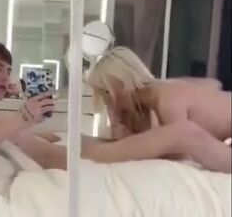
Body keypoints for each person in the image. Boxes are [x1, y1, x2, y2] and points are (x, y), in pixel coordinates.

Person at [0, 40, 231, 173]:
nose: (6, 77)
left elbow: (14, 139)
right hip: (68, 156)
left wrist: (38, 130)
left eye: (8, 71)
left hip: (71, 148)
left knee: (175, 133)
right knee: (183, 133)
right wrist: (22, 120)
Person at [86, 46, 231, 144]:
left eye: (106, 93)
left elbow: (182, 153)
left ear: (122, 84)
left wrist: (130, 141)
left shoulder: (166, 101)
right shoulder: (158, 97)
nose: (108, 103)